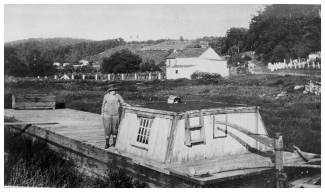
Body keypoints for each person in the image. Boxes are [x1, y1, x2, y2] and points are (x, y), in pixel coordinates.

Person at [101, 84, 130, 149]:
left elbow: (123, 103)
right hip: (107, 115)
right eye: (112, 90)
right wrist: (102, 113)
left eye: (114, 90)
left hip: (116, 115)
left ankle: (114, 143)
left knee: (115, 129)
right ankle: (107, 143)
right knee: (107, 129)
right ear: (109, 91)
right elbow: (103, 105)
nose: (114, 91)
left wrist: (129, 106)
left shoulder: (118, 96)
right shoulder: (106, 96)